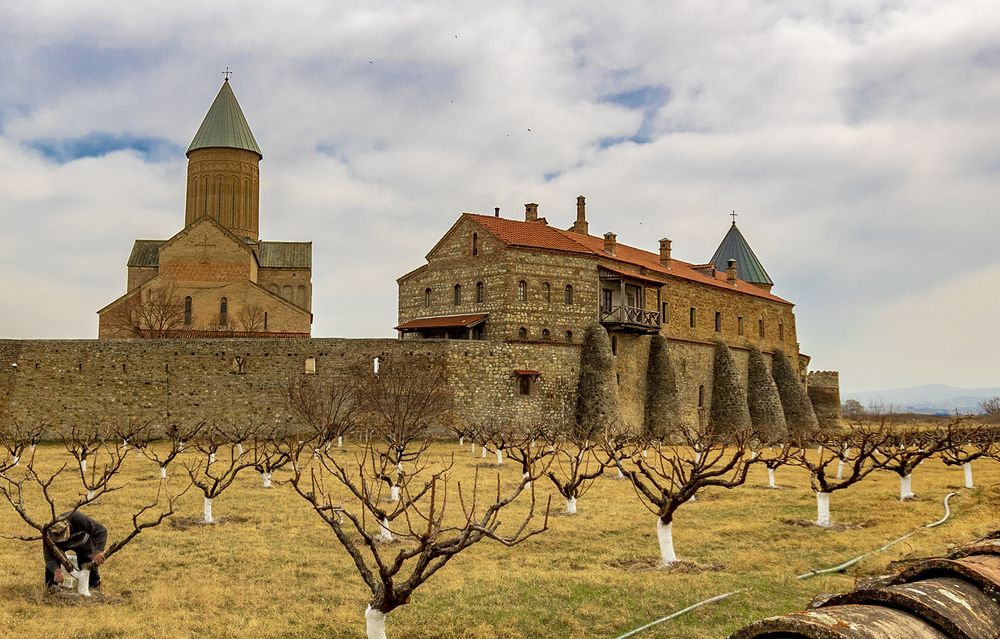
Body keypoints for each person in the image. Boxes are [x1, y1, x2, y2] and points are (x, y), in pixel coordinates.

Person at [45, 511, 107, 590]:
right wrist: (56, 571)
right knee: (54, 560)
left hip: (83, 541)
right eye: (58, 539)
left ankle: (94, 586)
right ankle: (51, 589)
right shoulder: (47, 533)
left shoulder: (77, 518)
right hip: (59, 548)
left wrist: (98, 550)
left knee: (87, 562)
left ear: (68, 528)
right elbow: (49, 556)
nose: (62, 541)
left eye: (63, 538)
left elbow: (101, 530)